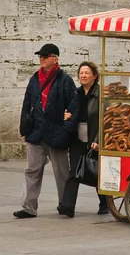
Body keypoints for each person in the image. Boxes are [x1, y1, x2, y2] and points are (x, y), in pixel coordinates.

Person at [14, 44, 78, 219]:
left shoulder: (65, 80)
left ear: (55, 58)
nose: (41, 59)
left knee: (61, 172)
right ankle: (28, 207)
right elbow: (27, 104)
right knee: (32, 170)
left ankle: (65, 204)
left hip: (56, 133)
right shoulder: (35, 78)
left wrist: (67, 129)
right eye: (40, 56)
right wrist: (24, 129)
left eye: (45, 56)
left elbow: (74, 106)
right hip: (35, 132)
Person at [58, 61, 108, 217]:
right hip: (78, 137)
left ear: (94, 75)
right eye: (81, 73)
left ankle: (105, 203)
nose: (83, 75)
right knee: (74, 171)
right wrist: (65, 116)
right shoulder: (76, 93)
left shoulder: (101, 94)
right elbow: (68, 111)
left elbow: (106, 119)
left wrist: (99, 139)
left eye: (87, 73)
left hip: (94, 137)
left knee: (96, 171)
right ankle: (67, 206)